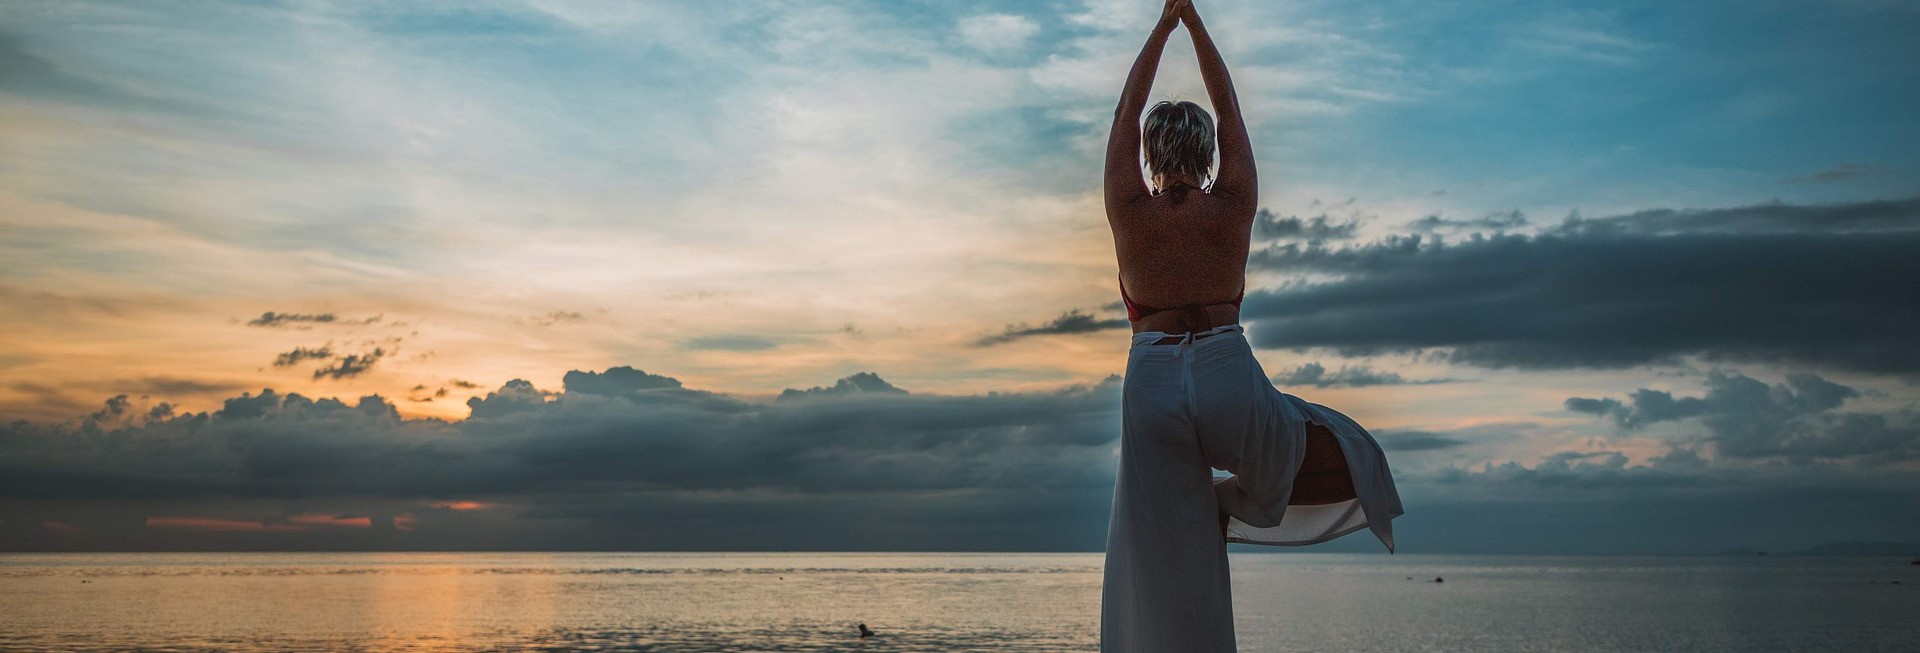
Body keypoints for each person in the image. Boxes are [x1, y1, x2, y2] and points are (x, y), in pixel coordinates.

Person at [1099, 1, 1405, 651]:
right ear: (1209, 152)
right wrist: (1194, 21)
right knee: (1288, 453)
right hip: (1222, 370)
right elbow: (1230, 109)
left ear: (1149, 154)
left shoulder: (1128, 207)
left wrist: (1162, 26)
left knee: (1156, 552)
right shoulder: (1233, 203)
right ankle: (1231, 502)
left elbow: (1125, 116)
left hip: (1150, 378)